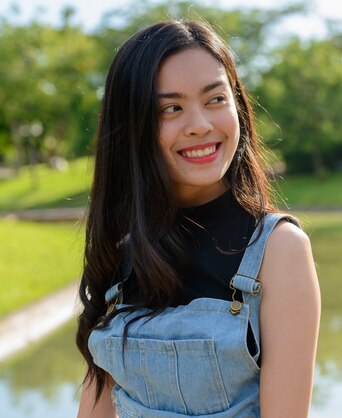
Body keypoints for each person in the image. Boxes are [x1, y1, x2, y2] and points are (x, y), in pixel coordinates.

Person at [75, 19, 320, 418]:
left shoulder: (278, 250)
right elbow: (98, 401)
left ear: (237, 105)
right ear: (133, 126)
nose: (201, 126)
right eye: (171, 108)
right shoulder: (123, 246)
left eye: (215, 99)